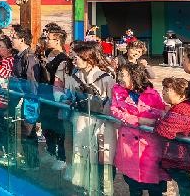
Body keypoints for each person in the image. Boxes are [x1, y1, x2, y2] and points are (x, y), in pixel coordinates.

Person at [64, 40, 116, 193]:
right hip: (81, 121)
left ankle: (103, 189)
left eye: (78, 57)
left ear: (89, 58)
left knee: (102, 159)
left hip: (102, 125)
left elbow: (113, 102)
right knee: (81, 153)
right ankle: (84, 186)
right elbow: (69, 97)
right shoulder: (74, 77)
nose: (75, 60)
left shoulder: (106, 78)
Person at [110, 63, 167, 196]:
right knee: (133, 183)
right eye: (119, 74)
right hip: (129, 143)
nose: (119, 77)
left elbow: (161, 114)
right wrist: (139, 120)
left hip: (149, 144)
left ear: (134, 76)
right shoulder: (117, 91)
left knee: (154, 183)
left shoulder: (152, 94)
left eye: (123, 75)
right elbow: (114, 111)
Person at [8, 24, 43, 170]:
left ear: (22, 39)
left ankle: (33, 163)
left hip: (28, 101)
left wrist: (15, 86)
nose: (11, 40)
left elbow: (32, 84)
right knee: (21, 131)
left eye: (13, 37)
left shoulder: (29, 57)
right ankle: (25, 159)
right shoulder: (19, 56)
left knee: (28, 132)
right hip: (18, 98)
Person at [39, 23, 70, 171]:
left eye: (49, 38)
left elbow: (60, 81)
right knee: (47, 125)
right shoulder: (47, 53)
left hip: (56, 98)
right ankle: (50, 150)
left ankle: (61, 157)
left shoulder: (63, 59)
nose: (46, 40)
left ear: (57, 41)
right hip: (45, 96)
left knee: (58, 128)